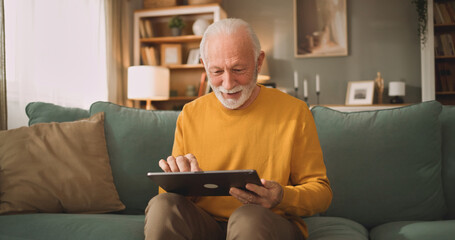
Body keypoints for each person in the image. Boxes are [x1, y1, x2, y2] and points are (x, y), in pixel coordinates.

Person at [144, 18, 332, 240]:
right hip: (206, 224)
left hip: (266, 223)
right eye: (216, 71)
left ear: (258, 61)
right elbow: (169, 198)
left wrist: (281, 196)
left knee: (247, 218)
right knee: (162, 205)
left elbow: (322, 193)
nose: (228, 83)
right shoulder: (190, 114)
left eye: (238, 69)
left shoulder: (295, 112)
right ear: (204, 64)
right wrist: (181, 184)